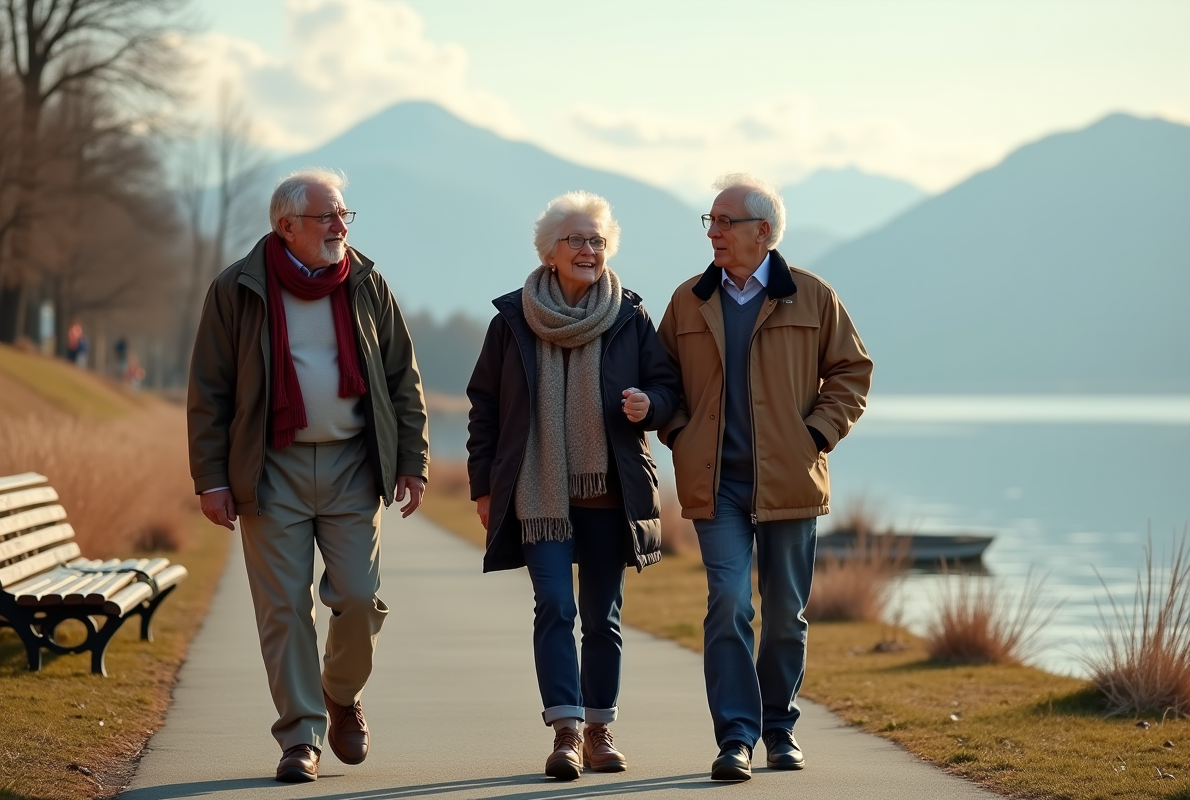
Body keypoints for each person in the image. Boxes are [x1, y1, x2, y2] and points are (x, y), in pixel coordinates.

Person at [187, 168, 429, 783]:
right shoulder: (237, 288)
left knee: (358, 598)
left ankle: (340, 694)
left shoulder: (368, 284)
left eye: (345, 214)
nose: (341, 226)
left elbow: (403, 378)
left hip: (353, 462)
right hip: (270, 467)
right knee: (284, 610)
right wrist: (211, 478)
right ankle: (300, 738)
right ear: (286, 226)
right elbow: (209, 391)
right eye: (328, 217)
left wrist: (412, 460)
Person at [657, 173, 873, 782]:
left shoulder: (812, 296)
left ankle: (779, 728)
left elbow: (852, 372)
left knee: (785, 613)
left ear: (764, 232)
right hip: (715, 483)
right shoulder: (688, 300)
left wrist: (815, 436)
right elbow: (661, 377)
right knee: (727, 603)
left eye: (725, 222)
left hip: (790, 483)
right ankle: (735, 739)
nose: (714, 233)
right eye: (711, 222)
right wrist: (678, 431)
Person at [466, 191, 680, 781]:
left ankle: (599, 729)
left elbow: (667, 390)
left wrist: (649, 404)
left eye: (598, 241)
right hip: (539, 494)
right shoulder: (511, 321)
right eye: (577, 240)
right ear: (551, 252)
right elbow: (484, 407)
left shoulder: (631, 317)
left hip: (610, 493)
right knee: (555, 606)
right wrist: (484, 486)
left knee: (602, 615)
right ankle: (564, 733)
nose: (590, 250)